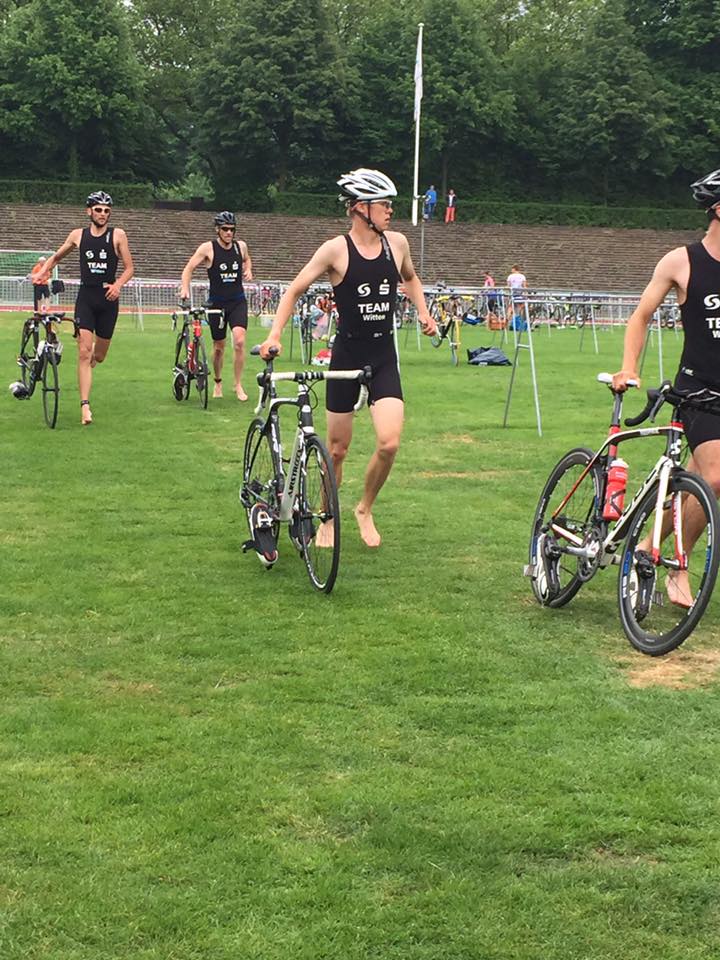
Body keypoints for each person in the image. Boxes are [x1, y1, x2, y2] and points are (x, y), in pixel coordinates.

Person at [260, 167, 436, 548]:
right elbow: (294, 290)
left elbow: (411, 277)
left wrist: (423, 312)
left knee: (389, 443)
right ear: (360, 209)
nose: (391, 211)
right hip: (347, 353)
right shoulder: (335, 250)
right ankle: (327, 515)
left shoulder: (398, 244)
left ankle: (364, 508)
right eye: (384, 205)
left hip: (382, 354)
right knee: (336, 450)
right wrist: (274, 334)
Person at [612, 167, 720, 608]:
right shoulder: (682, 261)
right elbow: (640, 316)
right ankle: (678, 567)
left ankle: (644, 546)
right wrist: (628, 368)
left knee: (701, 482)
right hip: (698, 390)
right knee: (714, 476)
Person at [34, 191, 134, 425]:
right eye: (98, 210)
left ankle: (90, 364)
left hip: (108, 300)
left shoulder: (117, 235)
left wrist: (118, 285)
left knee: (98, 355)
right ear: (89, 211)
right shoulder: (78, 235)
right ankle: (85, 407)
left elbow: (130, 268)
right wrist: (43, 271)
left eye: (106, 211)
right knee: (83, 351)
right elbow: (57, 256)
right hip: (86, 298)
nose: (102, 214)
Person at [180, 211, 253, 400]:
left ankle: (238, 384)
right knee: (219, 347)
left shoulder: (240, 247)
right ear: (217, 230)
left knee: (239, 341)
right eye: (225, 229)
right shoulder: (208, 249)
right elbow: (188, 268)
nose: (229, 233)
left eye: (232, 229)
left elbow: (247, 259)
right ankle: (218, 382)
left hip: (237, 301)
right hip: (217, 305)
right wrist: (185, 289)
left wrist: (248, 269)